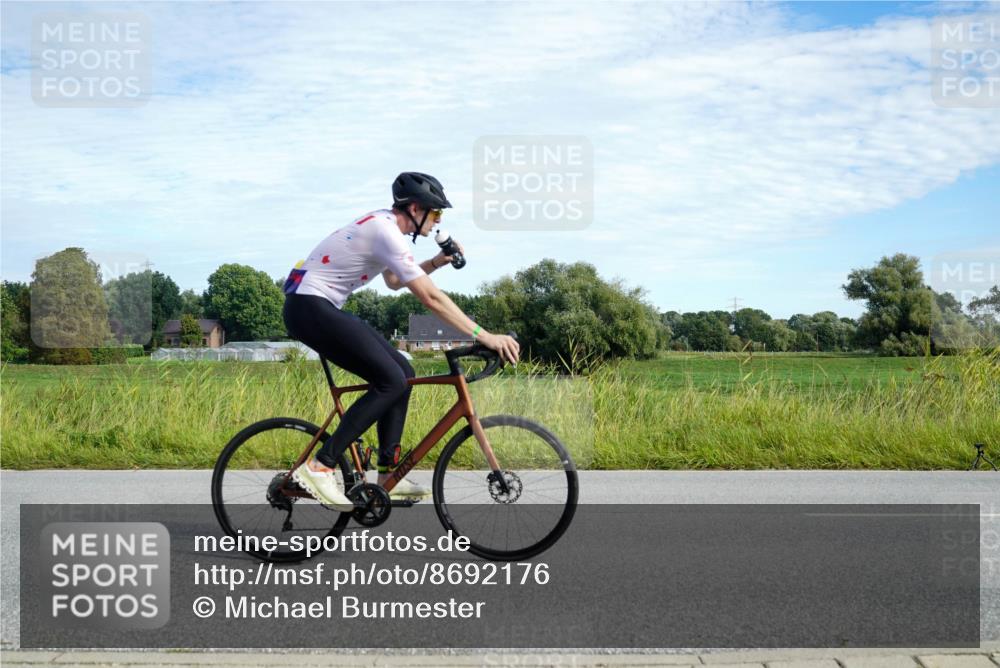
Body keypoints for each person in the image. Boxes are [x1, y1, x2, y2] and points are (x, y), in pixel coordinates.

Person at [281, 172, 520, 510]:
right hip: (309, 306)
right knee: (390, 381)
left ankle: (387, 476)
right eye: (436, 213)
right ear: (415, 208)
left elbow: (394, 281)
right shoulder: (385, 231)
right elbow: (431, 299)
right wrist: (485, 336)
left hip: (316, 306)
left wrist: (437, 261)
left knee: (402, 373)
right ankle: (320, 466)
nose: (438, 221)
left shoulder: (388, 230)